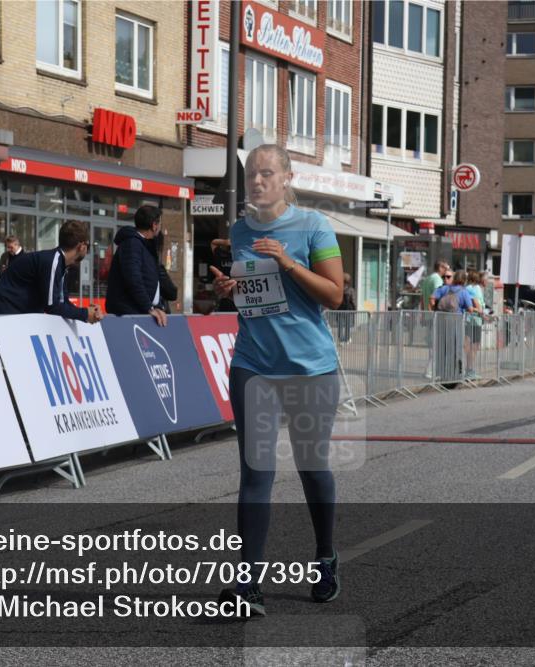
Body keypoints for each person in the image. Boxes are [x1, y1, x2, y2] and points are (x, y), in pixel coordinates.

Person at [209, 144, 345, 617]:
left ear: (287, 178)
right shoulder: (240, 230)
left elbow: (335, 294)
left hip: (309, 367)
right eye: (251, 176)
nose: (258, 182)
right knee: (255, 472)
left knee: (312, 468)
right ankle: (248, 585)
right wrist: (230, 289)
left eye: (267, 174)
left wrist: (288, 262)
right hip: (254, 364)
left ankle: (325, 556)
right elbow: (253, 295)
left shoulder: (314, 226)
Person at [0, 221, 102, 323]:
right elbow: (52, 306)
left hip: (8, 317)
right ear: (81, 246)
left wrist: (88, 312)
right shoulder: (53, 261)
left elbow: (62, 301)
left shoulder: (59, 263)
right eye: (88, 245)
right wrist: (85, 314)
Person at [105, 205, 168, 327]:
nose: (160, 227)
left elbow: (151, 279)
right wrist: (149, 307)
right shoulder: (132, 244)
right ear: (154, 225)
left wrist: (158, 306)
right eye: (159, 223)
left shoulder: (146, 245)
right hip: (130, 315)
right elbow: (133, 278)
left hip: (141, 312)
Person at [337, 273, 357, 343]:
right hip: (348, 310)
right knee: (347, 325)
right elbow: (353, 300)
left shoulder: (339, 289)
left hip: (339, 309)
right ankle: (347, 339)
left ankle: (340, 339)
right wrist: (355, 308)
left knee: (340, 325)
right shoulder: (351, 290)